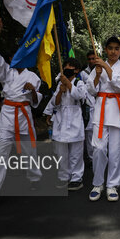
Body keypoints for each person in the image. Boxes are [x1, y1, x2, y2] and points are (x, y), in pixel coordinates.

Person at [0, 19, 42, 208]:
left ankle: (34, 176)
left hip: (24, 115)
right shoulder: (7, 73)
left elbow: (35, 100)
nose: (18, 58)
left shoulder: (33, 77)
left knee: (29, 152)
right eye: (15, 55)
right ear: (11, 59)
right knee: (0, 153)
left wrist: (32, 90)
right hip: (7, 115)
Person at [86, 36, 120, 202]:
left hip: (117, 111)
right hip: (101, 110)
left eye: (116, 48)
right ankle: (98, 183)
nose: (113, 51)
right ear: (105, 49)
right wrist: (97, 76)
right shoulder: (97, 68)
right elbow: (91, 89)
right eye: (110, 48)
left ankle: (112, 184)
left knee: (115, 151)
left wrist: (105, 66)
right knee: (98, 149)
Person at [43, 58, 86, 191]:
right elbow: (55, 102)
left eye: (70, 66)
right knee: (61, 152)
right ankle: (63, 177)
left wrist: (68, 83)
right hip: (61, 118)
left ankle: (76, 178)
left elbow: (80, 96)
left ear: (76, 70)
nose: (67, 68)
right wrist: (61, 90)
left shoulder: (79, 83)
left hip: (74, 118)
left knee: (76, 153)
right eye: (65, 66)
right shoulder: (59, 85)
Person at [79, 51, 98, 165]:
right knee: (89, 132)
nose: (91, 61)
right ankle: (91, 157)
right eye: (89, 59)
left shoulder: (101, 71)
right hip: (88, 105)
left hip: (101, 103)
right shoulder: (83, 73)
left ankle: (101, 153)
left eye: (93, 59)